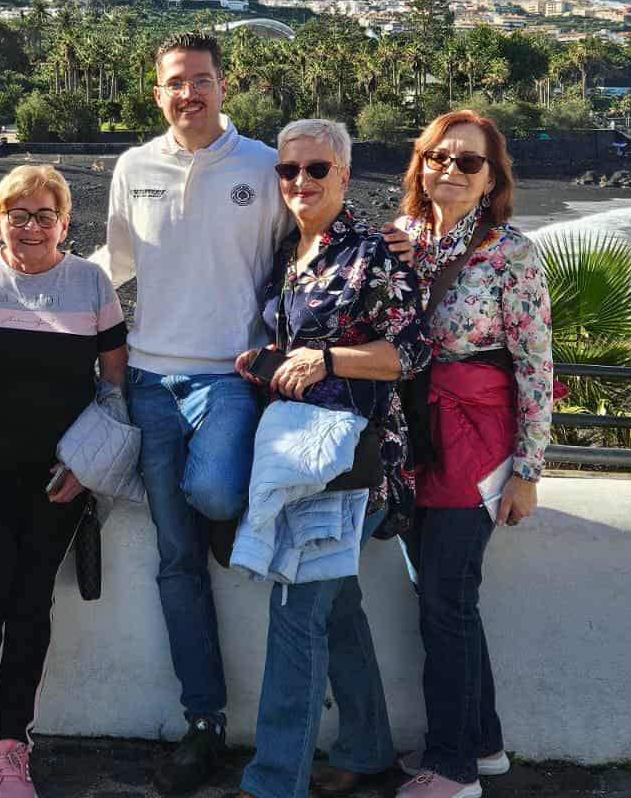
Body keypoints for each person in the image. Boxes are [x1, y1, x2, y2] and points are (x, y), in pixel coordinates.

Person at [90, 30, 285, 794]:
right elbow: (114, 266)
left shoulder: (263, 165)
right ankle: (204, 722)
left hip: (229, 376)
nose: (188, 93)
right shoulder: (133, 167)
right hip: (147, 379)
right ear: (158, 93)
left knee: (214, 493)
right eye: (175, 82)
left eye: (201, 79)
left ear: (223, 85)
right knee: (175, 561)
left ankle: (223, 524)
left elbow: (295, 260)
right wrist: (28, 291)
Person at [228, 120, 429, 798]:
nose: (301, 181)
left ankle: (272, 782)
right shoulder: (288, 253)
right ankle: (367, 749)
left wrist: (327, 359)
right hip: (297, 455)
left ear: (343, 174)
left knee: (295, 613)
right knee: (336, 608)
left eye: (317, 169)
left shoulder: (374, 251)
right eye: (289, 171)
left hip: (350, 462)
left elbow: (410, 353)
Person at [0, 166, 128, 798]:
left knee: (30, 603)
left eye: (44, 215)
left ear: (64, 224)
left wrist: (87, 467)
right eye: (17, 215)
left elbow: (114, 384)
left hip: (59, 478)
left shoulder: (91, 282)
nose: (31, 227)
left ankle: (11, 742)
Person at [391, 110, 555, 798]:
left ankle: (452, 768)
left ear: (492, 179)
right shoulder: (402, 239)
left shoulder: (511, 253)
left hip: (479, 436)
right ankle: (482, 746)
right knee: (442, 593)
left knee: (445, 598)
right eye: (439, 156)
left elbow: (536, 364)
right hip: (417, 432)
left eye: (468, 162)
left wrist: (528, 471)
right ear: (421, 164)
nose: (451, 170)